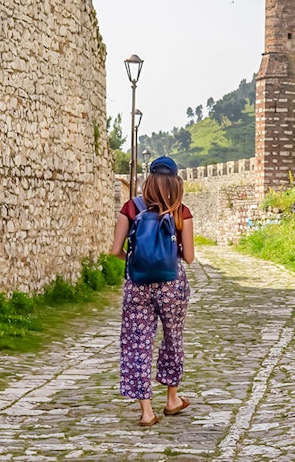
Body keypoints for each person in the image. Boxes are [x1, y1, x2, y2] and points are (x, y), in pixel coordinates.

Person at [110, 155, 195, 426]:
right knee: (172, 338)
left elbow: (115, 250)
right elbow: (190, 257)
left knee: (137, 343)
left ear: (149, 179)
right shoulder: (181, 212)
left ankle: (146, 411)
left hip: (137, 285)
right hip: (173, 285)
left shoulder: (131, 207)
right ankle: (172, 399)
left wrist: (136, 260)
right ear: (175, 182)